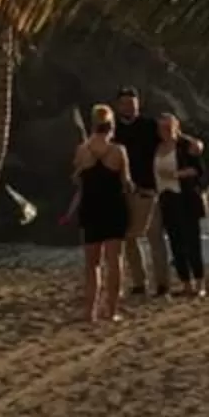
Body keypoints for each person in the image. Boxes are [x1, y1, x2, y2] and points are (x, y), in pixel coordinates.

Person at [70, 105, 132, 328]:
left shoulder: (82, 150)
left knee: (92, 264)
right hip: (114, 208)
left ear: (92, 124)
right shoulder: (118, 151)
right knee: (114, 261)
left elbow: (77, 180)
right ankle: (112, 311)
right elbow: (126, 183)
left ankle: (90, 311)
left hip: (91, 208)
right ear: (111, 126)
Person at [113, 84, 166, 298]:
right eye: (125, 104)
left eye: (133, 104)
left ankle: (162, 284)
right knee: (129, 239)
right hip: (124, 190)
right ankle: (139, 282)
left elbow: (172, 138)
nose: (130, 107)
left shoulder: (149, 125)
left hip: (149, 189)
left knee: (155, 237)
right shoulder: (113, 129)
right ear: (118, 106)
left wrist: (193, 144)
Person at [154, 115, 208, 298]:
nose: (165, 131)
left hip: (185, 198)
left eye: (169, 127)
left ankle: (200, 283)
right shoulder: (156, 147)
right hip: (166, 198)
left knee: (192, 241)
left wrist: (176, 174)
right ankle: (186, 284)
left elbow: (198, 170)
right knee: (176, 243)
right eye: (162, 128)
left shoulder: (185, 146)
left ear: (176, 127)